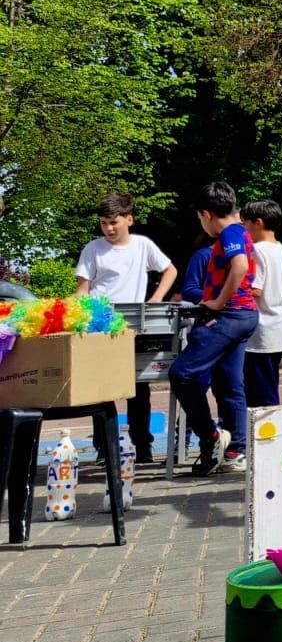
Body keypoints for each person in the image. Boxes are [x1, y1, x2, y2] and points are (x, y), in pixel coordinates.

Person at [74, 191, 177, 463]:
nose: (109, 228)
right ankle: (103, 447)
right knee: (101, 389)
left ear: (128, 219)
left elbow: (170, 269)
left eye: (114, 222)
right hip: (100, 325)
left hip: (133, 324)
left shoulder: (143, 245)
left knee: (137, 388)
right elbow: (82, 290)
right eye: (104, 223)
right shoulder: (93, 249)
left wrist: (156, 299)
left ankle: (142, 445)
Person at [166, 182, 257, 476]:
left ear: (206, 214)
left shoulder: (229, 232)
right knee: (230, 382)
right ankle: (235, 451)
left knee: (181, 373)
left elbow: (240, 267)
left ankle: (211, 436)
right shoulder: (241, 230)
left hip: (229, 314)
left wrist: (217, 302)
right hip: (243, 315)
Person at [241, 199, 282, 408]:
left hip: (263, 329)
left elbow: (256, 289)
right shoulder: (278, 247)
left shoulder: (256, 250)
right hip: (278, 324)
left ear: (258, 223)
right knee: (269, 385)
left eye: (245, 224)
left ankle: (264, 435)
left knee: (259, 392)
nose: (244, 230)